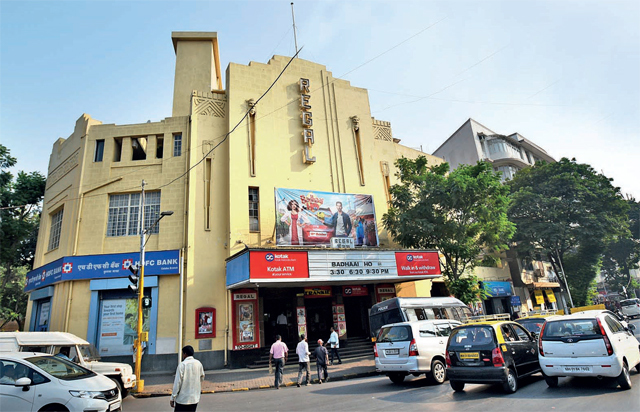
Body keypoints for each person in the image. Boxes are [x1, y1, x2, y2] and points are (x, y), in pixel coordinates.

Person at [170, 345, 205, 411]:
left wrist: (173, 397)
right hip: (194, 399)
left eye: (183, 353)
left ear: (185, 354)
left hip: (182, 400)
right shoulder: (198, 363)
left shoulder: (182, 365)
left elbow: (177, 383)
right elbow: (202, 377)